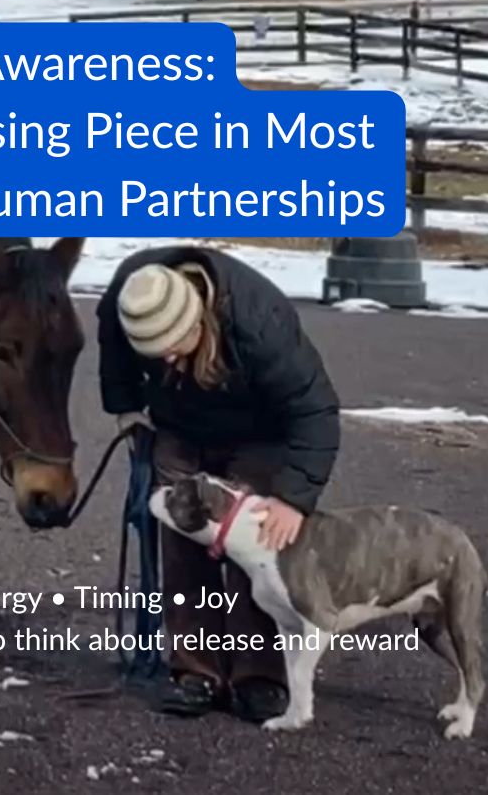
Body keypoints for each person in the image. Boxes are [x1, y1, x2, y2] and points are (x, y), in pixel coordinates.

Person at [96, 245, 340, 723]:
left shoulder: (259, 322)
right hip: (178, 425)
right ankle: (196, 671)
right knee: (182, 542)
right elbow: (114, 350)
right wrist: (126, 409)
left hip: (260, 433)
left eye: (172, 346)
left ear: (198, 321)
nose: (164, 356)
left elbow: (315, 411)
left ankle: (259, 676)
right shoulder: (130, 294)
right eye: (154, 351)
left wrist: (293, 499)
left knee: (256, 555)